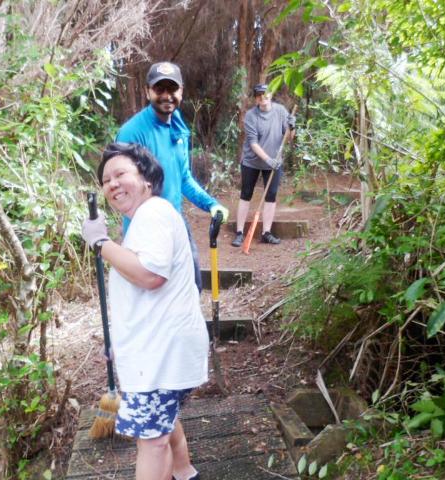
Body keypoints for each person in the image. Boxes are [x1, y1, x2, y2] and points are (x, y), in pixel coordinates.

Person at [82, 142, 207, 480]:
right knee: (162, 422)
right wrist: (121, 344)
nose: (112, 184)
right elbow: (144, 294)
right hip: (159, 349)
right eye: (106, 180)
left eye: (120, 174)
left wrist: (101, 243)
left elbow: (150, 275)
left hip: (161, 354)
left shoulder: (153, 213)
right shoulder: (147, 218)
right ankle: (184, 472)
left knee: (152, 441)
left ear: (147, 179)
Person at [115, 61, 228, 291]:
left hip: (176, 223)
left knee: (192, 287)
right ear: (148, 91)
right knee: (157, 298)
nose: (167, 95)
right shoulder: (132, 133)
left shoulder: (177, 126)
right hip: (145, 232)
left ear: (181, 92)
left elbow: (183, 178)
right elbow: (122, 191)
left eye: (172, 89)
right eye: (159, 89)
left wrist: (211, 204)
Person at [231, 83, 295, 247]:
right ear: (256, 99)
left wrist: (292, 127)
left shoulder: (281, 111)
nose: (262, 97)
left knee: (271, 196)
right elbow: (253, 143)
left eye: (265, 94)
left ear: (270, 95)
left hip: (274, 161)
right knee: (246, 194)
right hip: (251, 161)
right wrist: (268, 160)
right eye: (259, 95)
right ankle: (239, 233)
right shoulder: (251, 116)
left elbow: (289, 138)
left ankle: (266, 233)